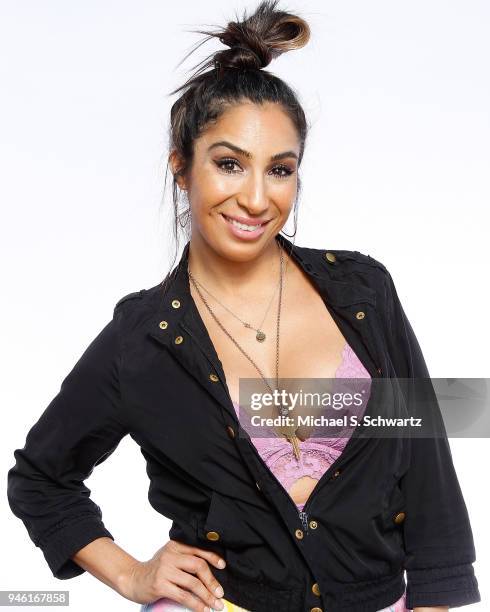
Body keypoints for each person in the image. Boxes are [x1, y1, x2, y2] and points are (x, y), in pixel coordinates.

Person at [7, 1, 480, 611]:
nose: (255, 198)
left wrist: (436, 604)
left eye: (279, 170)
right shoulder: (143, 338)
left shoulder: (364, 293)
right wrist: (130, 575)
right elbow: (41, 479)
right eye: (229, 164)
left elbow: (426, 464)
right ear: (182, 167)